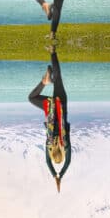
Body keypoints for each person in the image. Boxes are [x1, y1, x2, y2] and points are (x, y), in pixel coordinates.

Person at [27, 46, 71, 192]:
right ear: (52, 153)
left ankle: (52, 51)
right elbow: (47, 161)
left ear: (63, 153)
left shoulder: (66, 145)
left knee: (58, 79)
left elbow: (68, 162)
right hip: (51, 108)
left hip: (61, 104)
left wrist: (61, 175)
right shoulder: (49, 145)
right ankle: (44, 83)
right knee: (32, 98)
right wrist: (55, 176)